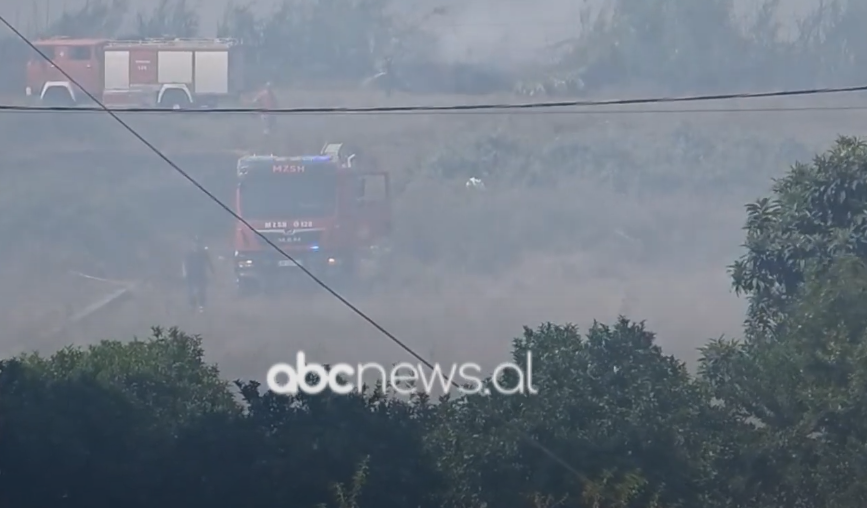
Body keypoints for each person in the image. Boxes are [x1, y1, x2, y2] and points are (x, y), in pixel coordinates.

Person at [182, 235, 215, 312]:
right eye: (195, 243)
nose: (196, 245)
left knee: (202, 291)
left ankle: (201, 306)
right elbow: (184, 263)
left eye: (198, 243)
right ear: (192, 244)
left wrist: (212, 272)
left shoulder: (203, 253)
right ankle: (191, 306)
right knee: (191, 292)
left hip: (201, 274)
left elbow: (209, 263)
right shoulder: (189, 253)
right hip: (191, 275)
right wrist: (184, 273)